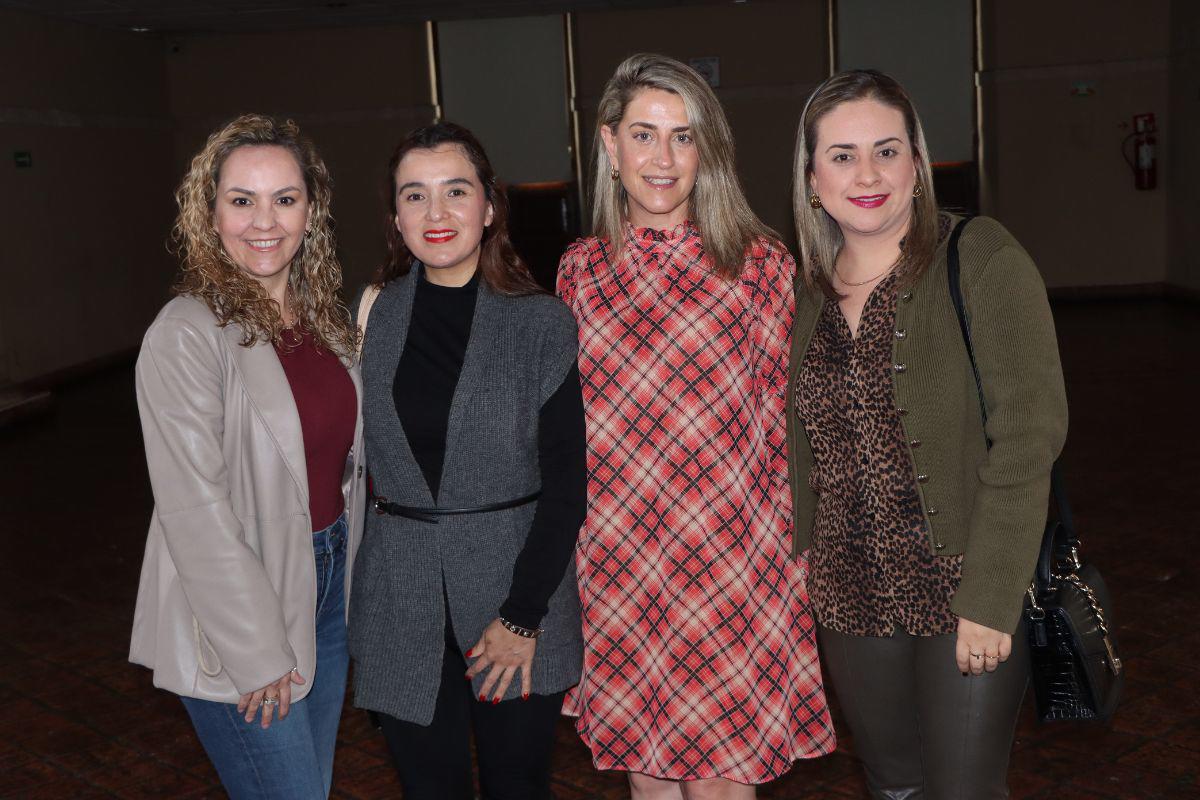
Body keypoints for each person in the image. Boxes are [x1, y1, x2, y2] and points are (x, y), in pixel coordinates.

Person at [557, 53, 836, 799]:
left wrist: (795, 561)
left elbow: (790, 428)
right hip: (617, 563)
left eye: (683, 137)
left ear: (706, 152)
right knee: (647, 779)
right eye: (644, 135)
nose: (663, 157)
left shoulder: (759, 266)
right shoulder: (579, 273)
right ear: (610, 146)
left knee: (719, 783)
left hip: (729, 564)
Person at [787, 69, 1068, 799]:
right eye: (842, 155)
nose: (868, 173)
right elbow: (798, 443)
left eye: (888, 149)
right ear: (813, 179)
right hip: (849, 592)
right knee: (893, 784)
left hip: (966, 583)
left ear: (916, 162)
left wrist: (991, 594)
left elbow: (1030, 435)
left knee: (963, 788)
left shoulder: (979, 256)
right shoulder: (803, 292)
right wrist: (798, 557)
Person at [347, 122, 586, 800]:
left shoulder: (541, 322)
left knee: (517, 785)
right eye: (415, 196)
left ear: (489, 207)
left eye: (456, 191)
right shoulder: (372, 316)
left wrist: (521, 616)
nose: (437, 213)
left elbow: (568, 486)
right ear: (396, 218)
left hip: (515, 595)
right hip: (400, 597)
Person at [130, 114, 365, 800]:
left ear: (311, 211)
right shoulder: (186, 334)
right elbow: (195, 510)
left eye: (285, 199)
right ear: (209, 213)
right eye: (242, 200)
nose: (265, 221)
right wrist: (255, 651)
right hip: (238, 608)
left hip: (324, 588)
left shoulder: (322, 318)